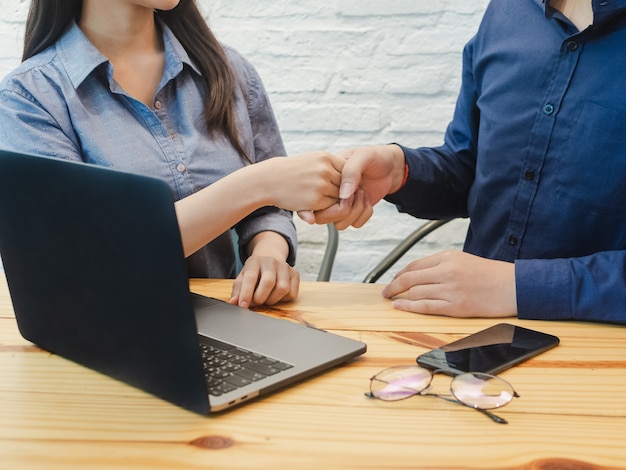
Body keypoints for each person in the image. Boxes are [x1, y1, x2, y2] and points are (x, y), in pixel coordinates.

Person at [0, 0, 346, 308]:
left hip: (231, 321)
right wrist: (257, 184)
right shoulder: (29, 97)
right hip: (109, 334)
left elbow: (271, 207)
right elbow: (91, 258)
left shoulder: (230, 71)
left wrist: (268, 252)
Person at [310, 0, 626, 325]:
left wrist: (518, 287)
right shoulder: (507, 11)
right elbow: (469, 167)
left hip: (597, 350)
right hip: (473, 335)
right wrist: (400, 171)